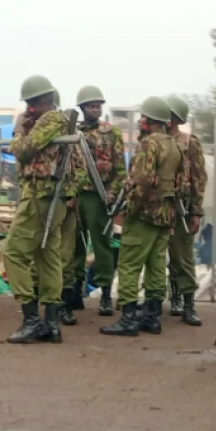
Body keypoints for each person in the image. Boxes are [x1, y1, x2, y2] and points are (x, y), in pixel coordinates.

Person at [2, 76, 79, 344]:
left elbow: (22, 150)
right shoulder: (58, 121)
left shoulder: (49, 120)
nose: (27, 110)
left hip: (40, 196)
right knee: (48, 256)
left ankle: (32, 319)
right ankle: (52, 323)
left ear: (37, 102)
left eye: (29, 104)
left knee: (12, 253)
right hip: (52, 198)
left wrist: (20, 129)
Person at [101, 97, 185, 337]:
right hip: (165, 214)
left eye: (143, 118)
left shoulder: (149, 144)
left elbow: (143, 181)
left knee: (128, 264)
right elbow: (181, 183)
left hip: (144, 215)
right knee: (156, 265)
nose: (140, 121)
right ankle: (153, 317)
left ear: (150, 120)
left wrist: (131, 210)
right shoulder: (175, 145)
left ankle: (128, 319)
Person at [73, 85, 126, 317]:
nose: (95, 108)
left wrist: (113, 193)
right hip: (75, 195)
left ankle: (105, 293)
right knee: (74, 245)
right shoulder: (73, 132)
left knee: (102, 246)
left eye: (98, 105)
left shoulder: (110, 132)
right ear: (83, 108)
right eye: (90, 105)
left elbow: (119, 168)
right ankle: (74, 290)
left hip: (99, 196)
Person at [165, 95, 206, 327]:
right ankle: (173, 298)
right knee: (155, 257)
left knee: (184, 257)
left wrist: (197, 212)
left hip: (182, 207)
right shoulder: (153, 141)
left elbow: (199, 178)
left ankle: (188, 303)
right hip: (157, 207)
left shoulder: (190, 142)